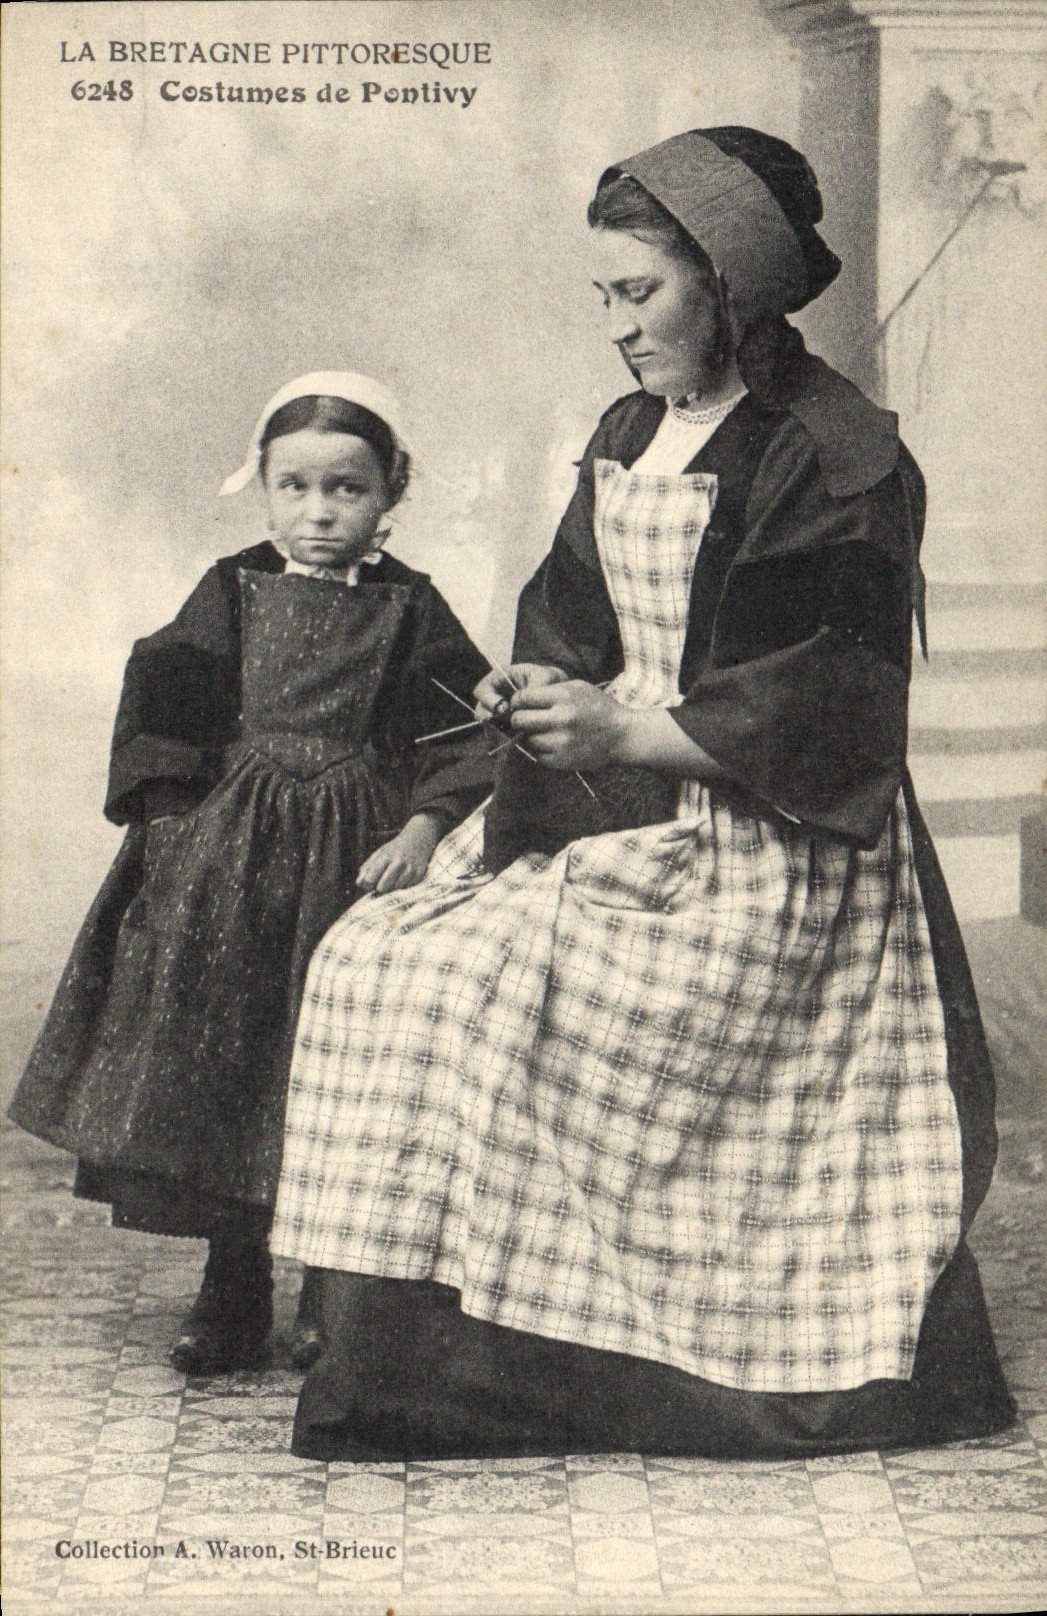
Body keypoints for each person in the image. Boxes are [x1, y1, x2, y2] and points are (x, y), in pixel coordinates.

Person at [270, 131, 1015, 1459]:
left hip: (775, 857)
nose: (613, 330)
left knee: (466, 980)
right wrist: (538, 699)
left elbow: (832, 704)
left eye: (637, 296)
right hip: (619, 806)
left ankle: (524, 1368)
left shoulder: (830, 455)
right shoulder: (628, 432)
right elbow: (568, 616)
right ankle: (402, 1361)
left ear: (724, 286)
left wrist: (623, 728)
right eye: (601, 299)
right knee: (372, 953)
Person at [9, 371, 492, 1376]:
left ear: (390, 493)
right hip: (233, 859)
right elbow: (166, 699)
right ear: (263, 489)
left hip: (352, 860)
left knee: (331, 1061)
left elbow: (459, 729)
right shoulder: (230, 589)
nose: (320, 513)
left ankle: (329, 1288)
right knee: (235, 1060)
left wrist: (421, 826)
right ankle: (232, 1286)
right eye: (297, 487)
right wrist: (174, 826)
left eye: (347, 490)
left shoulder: (410, 609)